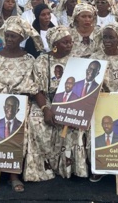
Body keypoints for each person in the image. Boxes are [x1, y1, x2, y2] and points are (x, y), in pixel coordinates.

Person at [0, 16, 44, 192]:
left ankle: (13, 173)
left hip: (19, 101)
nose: (9, 40)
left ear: (21, 38)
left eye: (13, 37)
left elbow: (32, 85)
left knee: (23, 122)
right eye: (7, 36)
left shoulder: (29, 59)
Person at [29, 26, 88, 180]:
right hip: (46, 100)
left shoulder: (77, 59)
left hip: (72, 100)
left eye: (71, 42)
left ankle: (69, 168)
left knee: (76, 123)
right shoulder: (42, 60)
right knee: (36, 121)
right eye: (65, 42)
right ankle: (43, 168)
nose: (69, 45)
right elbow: (36, 89)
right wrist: (45, 108)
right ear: (54, 44)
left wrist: (74, 108)